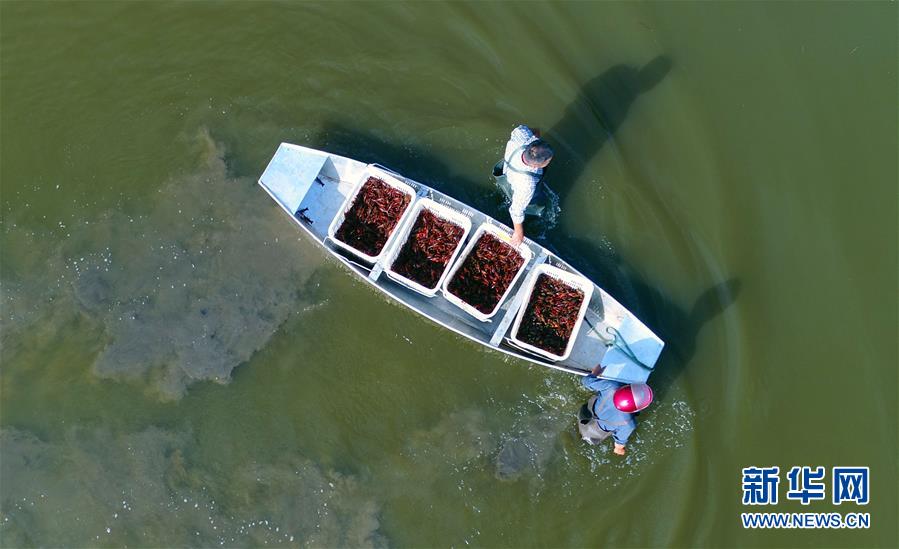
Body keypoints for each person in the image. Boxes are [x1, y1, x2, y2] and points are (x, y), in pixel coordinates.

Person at [492, 125, 554, 246]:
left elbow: (535, 130)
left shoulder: (521, 135)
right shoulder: (527, 184)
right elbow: (516, 210)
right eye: (547, 161)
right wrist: (518, 233)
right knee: (536, 209)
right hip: (518, 187)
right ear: (535, 166)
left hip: (507, 172)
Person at [578, 364, 653, 456]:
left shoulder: (611, 386)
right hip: (595, 435)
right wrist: (620, 450)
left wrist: (595, 373)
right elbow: (618, 446)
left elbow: (585, 381)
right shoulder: (629, 424)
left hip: (585, 414)